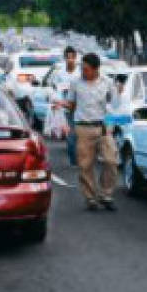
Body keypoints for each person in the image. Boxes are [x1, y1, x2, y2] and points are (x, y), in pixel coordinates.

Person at [63, 52, 119, 211]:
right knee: (85, 165)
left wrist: (113, 121)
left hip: (103, 127)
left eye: (86, 69)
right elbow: (71, 104)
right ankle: (90, 198)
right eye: (82, 68)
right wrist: (62, 107)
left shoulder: (107, 83)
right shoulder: (75, 83)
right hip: (83, 127)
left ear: (96, 69)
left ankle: (106, 194)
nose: (83, 72)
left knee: (111, 160)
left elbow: (114, 104)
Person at [49, 46, 81, 167]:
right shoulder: (60, 74)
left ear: (75, 57)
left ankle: (81, 158)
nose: (70, 60)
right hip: (66, 109)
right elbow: (55, 90)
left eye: (72, 57)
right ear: (65, 58)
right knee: (71, 137)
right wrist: (57, 103)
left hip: (80, 108)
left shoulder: (80, 72)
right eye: (68, 57)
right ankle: (74, 160)